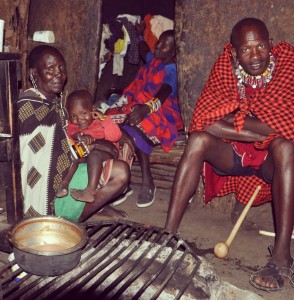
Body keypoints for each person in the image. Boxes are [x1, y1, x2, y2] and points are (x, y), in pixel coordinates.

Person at [164, 18, 294, 292]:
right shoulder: (225, 67)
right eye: (246, 50)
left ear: (270, 45)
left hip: (271, 162)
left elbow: (286, 124)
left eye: (261, 46)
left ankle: (282, 255)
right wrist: (259, 131)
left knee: (285, 145)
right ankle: (166, 236)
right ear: (235, 51)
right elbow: (205, 121)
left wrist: (238, 120)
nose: (255, 56)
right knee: (198, 139)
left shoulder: (287, 62)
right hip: (234, 153)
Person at [18, 45, 130, 221]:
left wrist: (99, 143)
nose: (58, 74)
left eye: (62, 68)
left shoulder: (56, 105)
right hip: (47, 191)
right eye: (50, 69)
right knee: (116, 168)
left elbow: (67, 145)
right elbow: (42, 156)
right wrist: (94, 146)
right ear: (34, 74)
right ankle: (65, 221)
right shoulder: (29, 106)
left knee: (120, 169)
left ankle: (85, 211)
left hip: (66, 174)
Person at [105, 24, 183, 208]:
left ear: (173, 53)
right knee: (113, 121)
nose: (158, 46)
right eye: (159, 42)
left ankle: (147, 181)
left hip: (165, 110)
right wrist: (139, 36)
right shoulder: (155, 61)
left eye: (164, 45)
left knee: (135, 125)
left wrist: (147, 108)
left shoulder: (172, 69)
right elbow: (144, 50)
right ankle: (124, 182)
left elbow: (165, 91)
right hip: (144, 105)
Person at [56, 89, 123, 203]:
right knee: (74, 157)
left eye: (83, 113)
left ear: (93, 109)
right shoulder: (73, 125)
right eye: (74, 116)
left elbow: (116, 136)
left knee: (95, 155)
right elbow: (70, 133)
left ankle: (90, 191)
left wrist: (104, 119)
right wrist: (80, 136)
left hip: (105, 153)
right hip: (86, 154)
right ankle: (64, 184)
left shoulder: (100, 122)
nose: (79, 119)